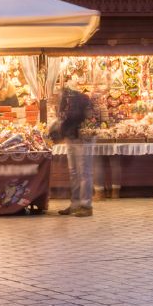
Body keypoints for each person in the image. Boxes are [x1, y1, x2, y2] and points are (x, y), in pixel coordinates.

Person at [56, 78, 94, 217]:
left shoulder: (83, 99)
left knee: (84, 172)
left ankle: (86, 205)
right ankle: (75, 204)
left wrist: (65, 120)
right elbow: (60, 117)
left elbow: (83, 117)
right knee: (74, 172)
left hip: (81, 138)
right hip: (70, 137)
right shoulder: (63, 100)